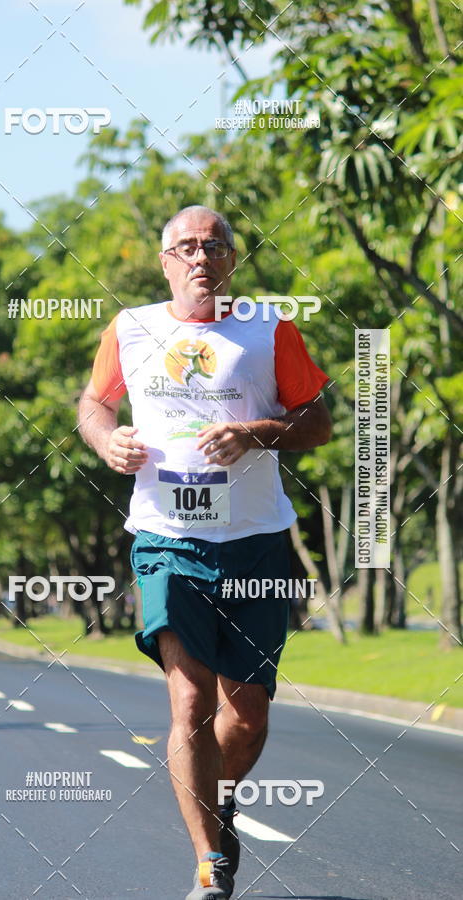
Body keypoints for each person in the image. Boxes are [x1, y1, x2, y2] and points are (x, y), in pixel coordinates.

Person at [78, 205, 332, 900]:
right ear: (164, 262)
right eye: (185, 247)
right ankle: (209, 868)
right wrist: (107, 440)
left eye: (213, 246)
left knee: (246, 714)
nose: (199, 257)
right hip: (166, 538)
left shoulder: (268, 328)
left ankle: (216, 801)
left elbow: (319, 422)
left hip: (253, 541)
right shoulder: (131, 329)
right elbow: (94, 404)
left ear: (231, 261)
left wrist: (255, 431)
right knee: (188, 702)